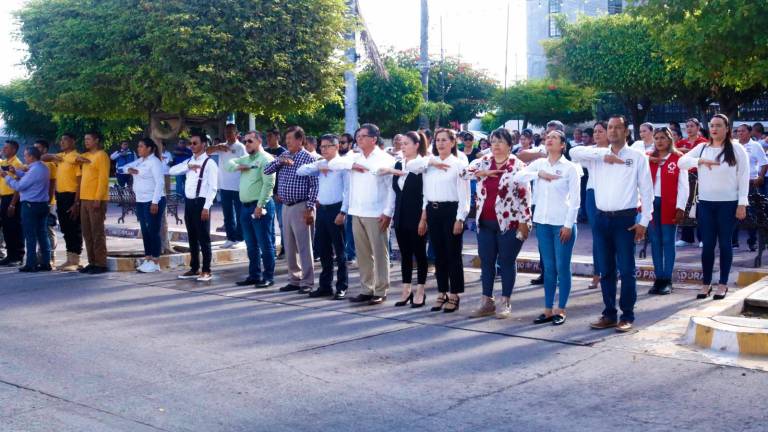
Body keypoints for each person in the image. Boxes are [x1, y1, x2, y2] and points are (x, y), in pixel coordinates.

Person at [571, 115, 653, 333]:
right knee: (605, 270)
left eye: (618, 127)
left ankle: (627, 315)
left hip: (625, 220)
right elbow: (572, 152)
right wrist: (603, 154)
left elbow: (646, 190)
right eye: (610, 127)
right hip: (601, 219)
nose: (613, 131)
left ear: (626, 131)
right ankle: (609, 313)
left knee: (627, 270)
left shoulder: (637, 157)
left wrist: (644, 221)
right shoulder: (597, 156)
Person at [462, 128, 531, 319]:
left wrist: (525, 222)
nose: (496, 146)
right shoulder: (483, 161)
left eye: (500, 142)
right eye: (493, 142)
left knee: (507, 261)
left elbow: (525, 197)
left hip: (509, 222)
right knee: (486, 261)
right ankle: (487, 301)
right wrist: (481, 172)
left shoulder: (518, 166)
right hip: (485, 221)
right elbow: (462, 172)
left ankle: (505, 300)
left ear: (510, 145)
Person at [679, 114, 749, 301]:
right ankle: (706, 283)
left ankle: (723, 283)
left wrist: (742, 203)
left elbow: (743, 177)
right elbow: (681, 162)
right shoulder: (702, 148)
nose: (715, 129)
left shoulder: (736, 149)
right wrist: (700, 161)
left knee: (725, 243)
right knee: (707, 245)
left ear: (727, 128)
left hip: (729, 204)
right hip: (706, 204)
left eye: (719, 125)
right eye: (712, 126)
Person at [515, 130, 581, 325]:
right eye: (547, 137)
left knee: (562, 267)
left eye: (554, 138)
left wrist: (569, 225)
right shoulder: (539, 164)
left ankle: (561, 309)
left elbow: (576, 200)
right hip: (542, 223)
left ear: (563, 145)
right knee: (549, 268)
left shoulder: (570, 168)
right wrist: (538, 174)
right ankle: (548, 309)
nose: (549, 140)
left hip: (562, 223)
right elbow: (518, 176)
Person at [402, 129, 470, 313]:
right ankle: (442, 292)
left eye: (444, 140)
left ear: (453, 143)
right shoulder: (428, 163)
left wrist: (460, 218)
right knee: (438, 255)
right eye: (438, 140)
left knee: (453, 255)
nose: (440, 144)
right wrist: (423, 218)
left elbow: (465, 196)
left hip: (451, 211)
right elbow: (410, 166)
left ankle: (454, 294)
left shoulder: (458, 164)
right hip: (432, 210)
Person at [328, 123, 395, 305]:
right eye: (358, 136)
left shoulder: (385, 158)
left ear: (373, 139)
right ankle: (367, 288)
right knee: (362, 254)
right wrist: (353, 164)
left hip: (377, 213)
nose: (359, 139)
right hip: (357, 211)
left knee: (380, 253)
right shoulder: (353, 156)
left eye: (363, 136)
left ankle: (380, 289)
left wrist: (388, 212)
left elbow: (391, 189)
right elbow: (333, 163)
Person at [263, 126, 318, 294]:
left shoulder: (308, 158)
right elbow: (266, 170)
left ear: (300, 140)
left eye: (290, 140)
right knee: (289, 245)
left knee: (304, 246)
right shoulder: (284, 155)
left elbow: (315, 186)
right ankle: (294, 279)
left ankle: (307, 281)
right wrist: (279, 161)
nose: (287, 143)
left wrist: (309, 208)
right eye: (286, 140)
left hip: (301, 206)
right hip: (286, 206)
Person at [379, 131, 429, 307]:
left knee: (420, 254)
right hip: (400, 216)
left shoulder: (423, 164)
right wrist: (389, 213)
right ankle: (406, 289)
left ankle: (421, 290)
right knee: (405, 255)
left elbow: (426, 195)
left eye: (407, 143)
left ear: (416, 145)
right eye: (402, 143)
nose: (403, 146)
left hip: (417, 215)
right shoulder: (398, 163)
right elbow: (393, 193)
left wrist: (424, 218)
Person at [297, 134, 349, 299]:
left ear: (336, 147)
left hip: (336, 209)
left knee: (340, 251)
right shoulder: (321, 163)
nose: (323, 149)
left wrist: (343, 212)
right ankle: (325, 285)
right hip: (322, 210)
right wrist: (320, 168)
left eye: (327, 146)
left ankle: (342, 286)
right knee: (323, 249)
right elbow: (300, 171)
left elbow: (348, 191)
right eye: (322, 146)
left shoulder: (342, 165)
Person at [225, 130, 277, 288]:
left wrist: (260, 206)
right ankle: (254, 275)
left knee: (265, 243)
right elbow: (228, 165)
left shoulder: (266, 159)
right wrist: (243, 166)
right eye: (245, 141)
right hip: (245, 207)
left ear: (259, 141)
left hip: (260, 206)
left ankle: (268, 276)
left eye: (250, 141)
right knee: (251, 244)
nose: (246, 144)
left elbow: (269, 185)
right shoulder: (247, 159)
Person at [170, 132, 219, 282]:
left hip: (201, 202)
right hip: (190, 203)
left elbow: (213, 187)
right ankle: (194, 267)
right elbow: (171, 171)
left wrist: (206, 207)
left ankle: (206, 270)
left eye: (195, 143)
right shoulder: (190, 161)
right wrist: (187, 166)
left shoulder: (209, 163)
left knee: (203, 237)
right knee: (192, 236)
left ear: (204, 145)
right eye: (191, 143)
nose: (192, 146)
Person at [646, 127, 689, 295]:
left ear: (670, 139)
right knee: (655, 241)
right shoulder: (649, 158)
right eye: (656, 138)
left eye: (663, 137)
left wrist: (681, 207)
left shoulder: (678, 158)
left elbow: (684, 186)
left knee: (668, 241)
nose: (659, 141)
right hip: (651, 204)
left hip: (669, 204)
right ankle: (658, 278)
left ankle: (667, 279)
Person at [570, 122, 609, 290]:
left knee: (612, 235)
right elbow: (574, 154)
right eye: (595, 132)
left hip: (612, 194)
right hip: (593, 194)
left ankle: (610, 273)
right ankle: (597, 274)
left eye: (601, 131)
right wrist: (600, 154)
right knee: (597, 235)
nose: (597, 134)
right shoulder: (590, 150)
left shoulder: (618, 150)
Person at [0, 146, 50, 272]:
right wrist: (16, 172)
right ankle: (46, 262)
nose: (25, 157)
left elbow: (20, 185)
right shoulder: (42, 167)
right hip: (42, 204)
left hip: (30, 205)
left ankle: (31, 263)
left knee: (30, 235)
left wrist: (6, 176)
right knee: (42, 235)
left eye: (26, 155)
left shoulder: (34, 170)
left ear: (32, 157)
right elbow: (28, 177)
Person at [120, 138, 166, 273]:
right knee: (145, 231)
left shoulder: (155, 162)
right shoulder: (141, 161)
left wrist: (155, 202)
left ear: (150, 148)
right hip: (140, 201)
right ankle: (148, 258)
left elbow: (160, 183)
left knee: (153, 230)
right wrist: (131, 170)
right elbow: (122, 168)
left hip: (152, 201)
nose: (138, 149)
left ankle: (156, 261)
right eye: (138, 146)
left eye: (141, 146)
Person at [42, 133, 83, 271]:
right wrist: (54, 156)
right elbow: (42, 157)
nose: (62, 142)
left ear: (73, 141)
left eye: (65, 140)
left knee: (74, 227)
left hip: (72, 196)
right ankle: (69, 259)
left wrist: (76, 202)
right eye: (61, 140)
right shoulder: (60, 157)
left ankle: (75, 260)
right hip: (60, 196)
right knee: (65, 227)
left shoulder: (75, 157)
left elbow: (79, 182)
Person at [76, 132, 111, 274]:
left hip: (96, 199)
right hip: (85, 198)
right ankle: (92, 261)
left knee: (97, 232)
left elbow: (103, 179)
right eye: (85, 139)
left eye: (89, 139)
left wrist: (98, 198)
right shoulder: (86, 156)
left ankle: (101, 263)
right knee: (87, 232)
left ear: (96, 140)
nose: (86, 141)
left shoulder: (102, 155)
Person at [207, 123, 246, 249]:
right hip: (224, 186)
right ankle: (230, 238)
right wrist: (217, 146)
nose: (228, 135)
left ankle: (240, 238)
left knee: (240, 213)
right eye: (226, 133)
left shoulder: (241, 147)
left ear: (236, 133)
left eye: (230, 132)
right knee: (228, 214)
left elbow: (246, 164)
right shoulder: (222, 146)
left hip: (238, 185)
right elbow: (207, 152)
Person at [732, 124, 767, 251]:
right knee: (732, 212)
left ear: (750, 132)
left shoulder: (756, 146)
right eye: (738, 131)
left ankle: (752, 241)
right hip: (734, 183)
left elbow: (764, 163)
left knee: (750, 213)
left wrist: (760, 177)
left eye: (743, 131)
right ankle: (733, 242)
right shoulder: (733, 145)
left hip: (750, 183)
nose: (740, 133)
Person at [675, 118, 708, 247]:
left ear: (698, 127)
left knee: (700, 208)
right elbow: (676, 156)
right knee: (685, 206)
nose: (689, 128)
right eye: (687, 126)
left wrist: (686, 152)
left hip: (700, 177)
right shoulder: (681, 142)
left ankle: (703, 238)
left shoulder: (704, 142)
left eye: (692, 126)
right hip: (684, 177)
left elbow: (703, 158)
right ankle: (686, 237)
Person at [33, 140, 57, 268]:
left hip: (47, 201)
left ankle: (50, 257)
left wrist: (48, 200)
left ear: (45, 150)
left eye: (39, 148)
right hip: (37, 200)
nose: (36, 150)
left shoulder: (50, 164)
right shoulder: (35, 163)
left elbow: (53, 183)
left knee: (48, 229)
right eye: (35, 148)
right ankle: (40, 256)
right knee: (38, 230)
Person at [264, 128, 287, 259]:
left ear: (277, 137)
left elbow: (282, 175)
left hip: (278, 194)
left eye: (270, 136)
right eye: (267, 136)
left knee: (282, 223)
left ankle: (284, 248)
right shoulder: (265, 152)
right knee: (268, 223)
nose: (268, 139)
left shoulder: (284, 153)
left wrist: (278, 191)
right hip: (266, 193)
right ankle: (270, 249)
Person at [0, 140, 24, 266]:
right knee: (6, 228)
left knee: (15, 227)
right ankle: (10, 255)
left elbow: (18, 187)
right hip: (4, 198)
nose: (4, 149)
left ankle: (18, 256)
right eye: (4, 147)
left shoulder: (17, 164)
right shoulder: (4, 163)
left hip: (13, 198)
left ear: (14, 150)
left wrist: (13, 204)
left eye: (7, 148)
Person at [338, 133, 356, 262]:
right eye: (338, 142)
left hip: (352, 199)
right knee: (345, 229)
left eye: (343, 142)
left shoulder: (352, 157)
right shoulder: (340, 157)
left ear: (350, 144)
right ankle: (347, 253)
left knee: (350, 229)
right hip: (342, 199)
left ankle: (350, 254)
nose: (340, 145)